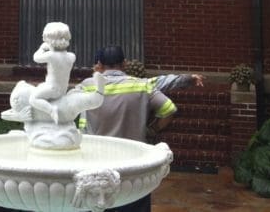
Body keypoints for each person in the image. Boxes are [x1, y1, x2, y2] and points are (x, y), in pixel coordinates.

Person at [78, 45, 204, 212]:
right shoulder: (141, 86)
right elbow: (168, 108)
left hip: (96, 169)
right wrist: (151, 130)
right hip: (133, 170)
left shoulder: (87, 87)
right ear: (124, 64)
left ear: (99, 64)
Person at [28, 21, 76, 124]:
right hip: (63, 90)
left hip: (52, 89)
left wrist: (41, 48)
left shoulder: (51, 55)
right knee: (41, 86)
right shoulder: (72, 56)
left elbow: (36, 58)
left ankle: (51, 110)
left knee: (33, 99)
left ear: (50, 41)